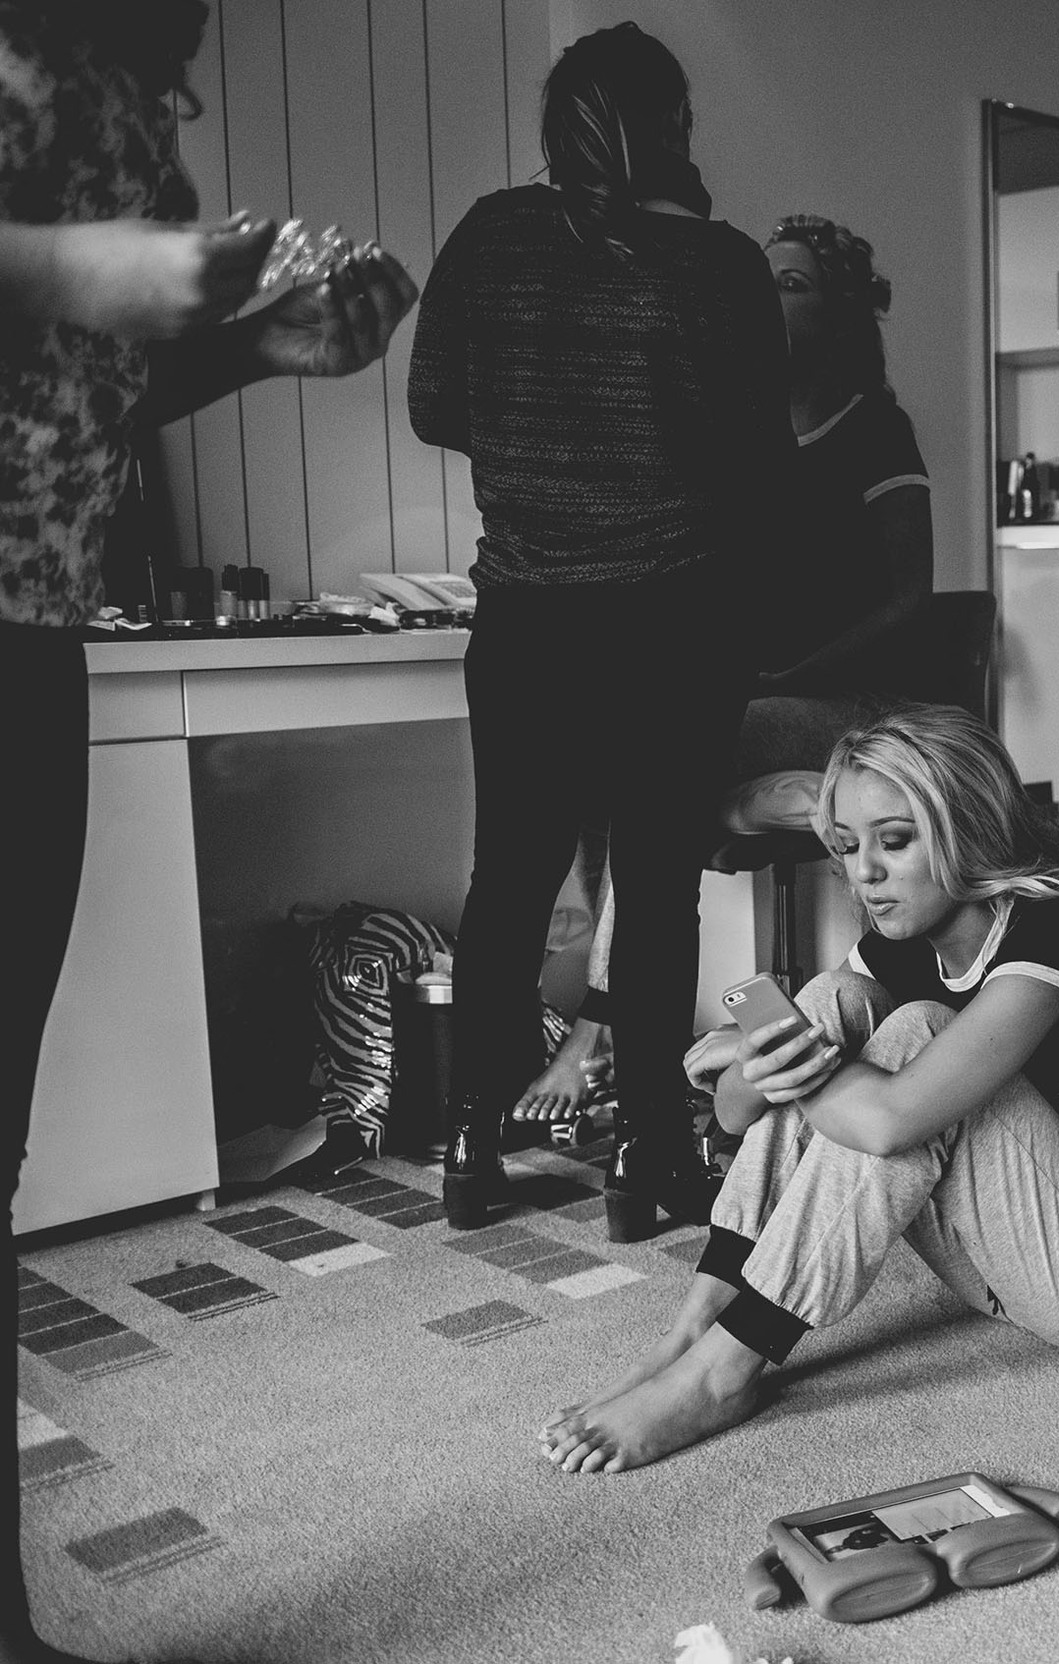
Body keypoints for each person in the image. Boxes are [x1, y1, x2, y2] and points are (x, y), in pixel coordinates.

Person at [0, 5, 417, 1659]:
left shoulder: (114, 87)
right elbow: (61, 307)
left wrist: (255, 338)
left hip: (31, 631)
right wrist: (71, 270)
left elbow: (78, 392)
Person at [538, 704, 1059, 1473]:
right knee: (828, 1001)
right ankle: (698, 1325)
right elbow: (728, 1115)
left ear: (970, 831)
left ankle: (728, 1369)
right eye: (849, 847)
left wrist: (780, 1048)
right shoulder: (896, 947)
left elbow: (889, 1124)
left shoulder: (1057, 931)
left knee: (913, 1032)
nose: (864, 871)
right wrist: (765, 1052)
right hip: (1002, 1272)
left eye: (895, 842)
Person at [407, 23, 793, 1240]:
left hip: (526, 614)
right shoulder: (719, 267)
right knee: (658, 883)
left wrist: (541, 443)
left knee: (509, 876)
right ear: (666, 125)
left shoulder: (488, 234)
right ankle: (645, 1161)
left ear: (556, 123)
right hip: (676, 614)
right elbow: (760, 460)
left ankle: (471, 1146)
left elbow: (434, 406)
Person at [514, 214, 934, 1127]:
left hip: (848, 702)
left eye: (794, 284)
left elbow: (909, 601)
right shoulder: (740, 431)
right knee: (606, 750)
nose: (770, 300)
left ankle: (600, 1024)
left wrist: (787, 672)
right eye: (764, 283)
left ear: (844, 313)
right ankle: (602, 998)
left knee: (656, 751)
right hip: (753, 698)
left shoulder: (876, 430)